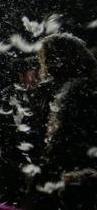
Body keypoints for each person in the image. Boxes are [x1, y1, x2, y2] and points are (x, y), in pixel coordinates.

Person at [35, 34, 97, 190]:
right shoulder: (87, 87)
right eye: (46, 58)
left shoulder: (76, 91)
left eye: (51, 57)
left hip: (72, 174)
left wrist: (44, 170)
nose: (48, 64)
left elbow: (60, 137)